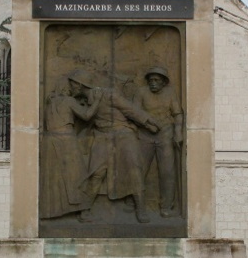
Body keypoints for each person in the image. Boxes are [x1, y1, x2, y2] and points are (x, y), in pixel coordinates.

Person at [78, 73, 159, 223]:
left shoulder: (109, 94)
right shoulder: (81, 100)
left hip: (123, 134)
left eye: (72, 84)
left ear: (79, 85)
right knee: (96, 172)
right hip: (102, 136)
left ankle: (141, 208)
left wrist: (150, 121)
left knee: (134, 169)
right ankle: (85, 208)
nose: (70, 88)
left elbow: (130, 110)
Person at [39, 72, 102, 219]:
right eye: (71, 86)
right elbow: (86, 116)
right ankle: (83, 211)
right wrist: (97, 101)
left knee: (54, 178)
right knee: (77, 175)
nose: (74, 89)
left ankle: (50, 212)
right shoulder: (68, 101)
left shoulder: (51, 102)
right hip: (66, 140)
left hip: (50, 140)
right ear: (65, 88)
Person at [134, 66, 183, 217]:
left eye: (157, 80)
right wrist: (148, 125)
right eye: (151, 80)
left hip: (165, 134)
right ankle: (136, 203)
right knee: (139, 170)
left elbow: (177, 114)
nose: (153, 83)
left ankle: (166, 205)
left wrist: (178, 132)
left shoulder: (170, 93)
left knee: (167, 171)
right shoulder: (141, 92)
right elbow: (134, 113)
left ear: (163, 82)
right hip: (145, 135)